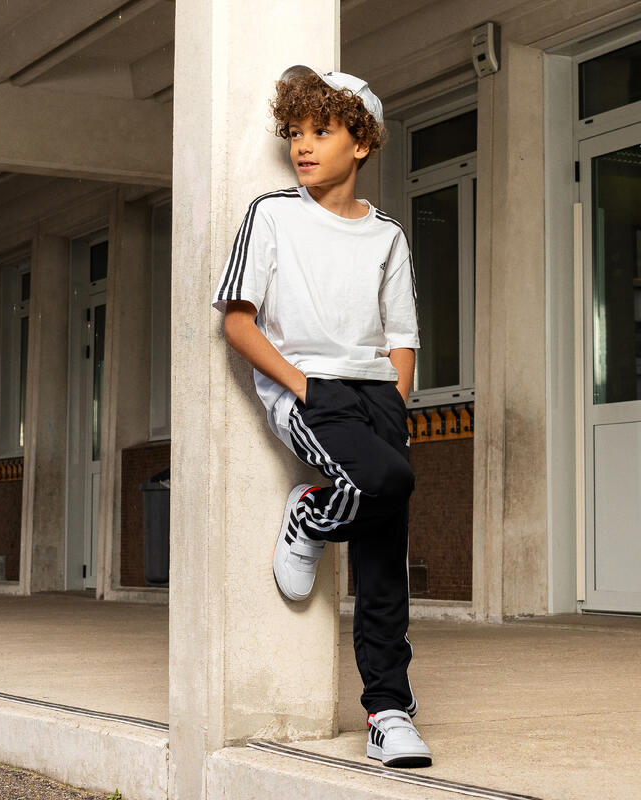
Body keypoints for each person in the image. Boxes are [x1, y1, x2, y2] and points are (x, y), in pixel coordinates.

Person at [212, 65, 431, 769]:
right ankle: (311, 515)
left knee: (384, 549)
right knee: (384, 484)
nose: (304, 146)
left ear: (360, 143)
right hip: (313, 388)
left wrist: (393, 401)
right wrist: (305, 388)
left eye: (322, 131)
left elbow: (402, 338)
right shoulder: (272, 214)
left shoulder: (387, 236)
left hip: (377, 395)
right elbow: (239, 325)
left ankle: (389, 710)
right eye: (295, 133)